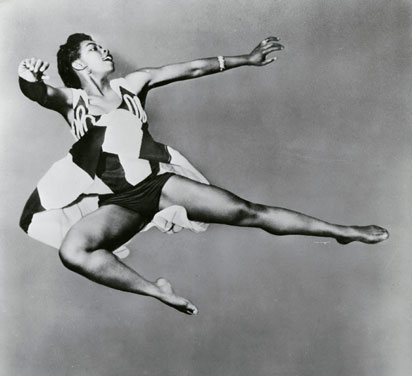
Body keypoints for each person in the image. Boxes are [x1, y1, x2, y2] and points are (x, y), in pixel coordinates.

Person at [18, 34, 389, 315]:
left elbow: (192, 69)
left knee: (247, 212)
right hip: (119, 203)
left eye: (100, 46)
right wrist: (27, 76)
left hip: (159, 187)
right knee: (73, 251)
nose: (104, 50)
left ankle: (342, 231)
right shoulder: (72, 100)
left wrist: (247, 59)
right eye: (93, 49)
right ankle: (156, 290)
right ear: (78, 65)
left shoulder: (133, 85)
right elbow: (38, 92)